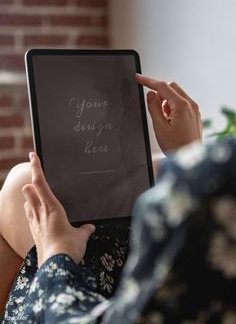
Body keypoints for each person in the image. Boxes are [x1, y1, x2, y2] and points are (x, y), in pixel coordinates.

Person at [0, 74, 203, 323]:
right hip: (166, 261)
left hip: (92, 296)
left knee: (22, 185)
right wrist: (190, 158)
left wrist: (56, 253)